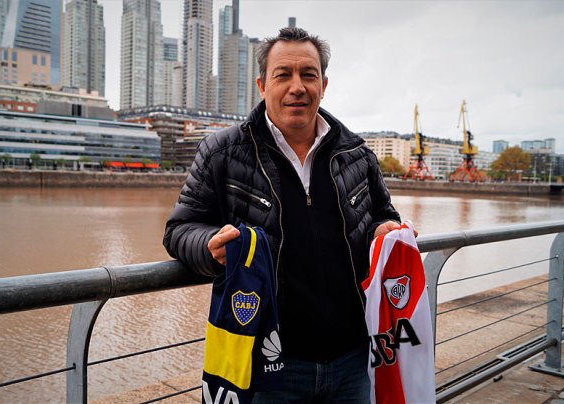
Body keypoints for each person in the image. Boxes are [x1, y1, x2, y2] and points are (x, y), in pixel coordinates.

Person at [164, 27, 404, 402]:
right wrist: (209, 246)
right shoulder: (222, 152)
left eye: (308, 74)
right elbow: (179, 229)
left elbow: (383, 215)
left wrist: (385, 230)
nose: (297, 86)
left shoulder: (358, 153)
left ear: (323, 84)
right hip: (269, 364)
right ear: (262, 85)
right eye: (283, 75)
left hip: (353, 359)